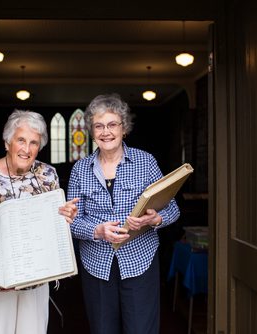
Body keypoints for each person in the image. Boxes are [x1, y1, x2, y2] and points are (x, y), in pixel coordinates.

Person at [67, 93, 180, 334]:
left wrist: (156, 219)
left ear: (124, 128)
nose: (105, 132)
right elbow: (71, 221)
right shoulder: (80, 170)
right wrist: (97, 230)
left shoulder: (145, 162)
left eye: (112, 124)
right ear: (91, 131)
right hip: (96, 264)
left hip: (140, 260)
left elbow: (173, 208)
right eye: (99, 126)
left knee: (141, 329)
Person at [0, 110, 78, 334]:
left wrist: (65, 218)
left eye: (33, 142)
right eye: (21, 140)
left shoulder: (48, 175)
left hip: (35, 279)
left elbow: (53, 226)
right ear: (7, 142)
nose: (26, 149)